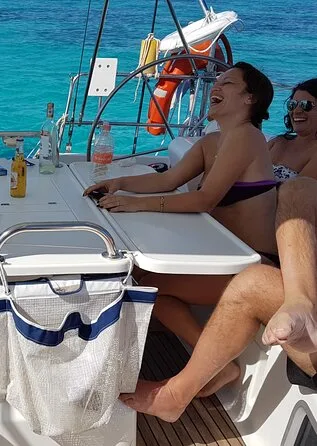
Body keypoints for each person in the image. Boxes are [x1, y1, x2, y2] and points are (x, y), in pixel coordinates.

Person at [83, 62, 278, 392]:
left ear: (250, 98)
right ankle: (201, 355)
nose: (216, 86)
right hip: (221, 255)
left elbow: (205, 200)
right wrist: (118, 184)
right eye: (217, 81)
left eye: (228, 83)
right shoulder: (211, 141)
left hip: (255, 265)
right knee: (141, 278)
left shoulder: (247, 136)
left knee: (147, 287)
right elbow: (168, 180)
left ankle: (217, 367)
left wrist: (134, 204)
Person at [120, 176, 317, 422]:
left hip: (250, 257)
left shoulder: (242, 149)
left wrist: (132, 201)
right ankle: (301, 301)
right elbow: (173, 178)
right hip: (267, 266)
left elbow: (203, 198)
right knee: (300, 188)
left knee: (251, 283)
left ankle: (175, 396)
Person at [268, 78, 317, 181]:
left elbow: (299, 189)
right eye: (292, 104)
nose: (296, 111)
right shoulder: (277, 142)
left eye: (306, 105)